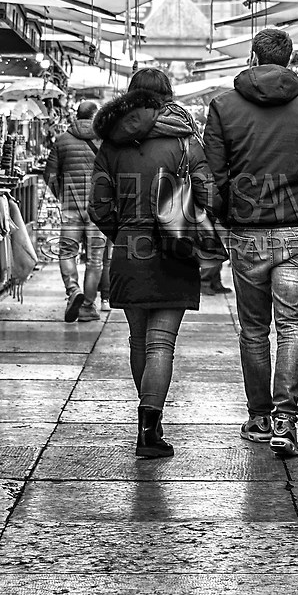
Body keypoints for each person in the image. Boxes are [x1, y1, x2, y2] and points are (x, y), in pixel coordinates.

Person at [202, 28, 298, 459]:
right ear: (290, 61)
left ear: (251, 56)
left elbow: (212, 174)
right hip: (297, 230)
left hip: (247, 232)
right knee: (292, 326)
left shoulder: (224, 106)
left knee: (253, 329)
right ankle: (285, 421)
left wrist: (226, 217)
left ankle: (259, 417)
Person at [89, 67, 213, 460]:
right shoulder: (185, 140)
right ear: (167, 96)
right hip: (175, 250)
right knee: (163, 344)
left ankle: (147, 425)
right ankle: (150, 427)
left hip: (129, 249)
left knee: (138, 340)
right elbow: (209, 193)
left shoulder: (110, 145)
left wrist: (124, 232)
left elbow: (97, 207)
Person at [45, 99, 105, 322]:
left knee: (67, 252)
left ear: (76, 115)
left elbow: (49, 175)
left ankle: (73, 291)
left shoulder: (62, 140)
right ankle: (87, 306)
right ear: (95, 116)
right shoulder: (104, 140)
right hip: (98, 209)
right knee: (95, 260)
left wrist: (62, 195)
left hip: (70, 207)